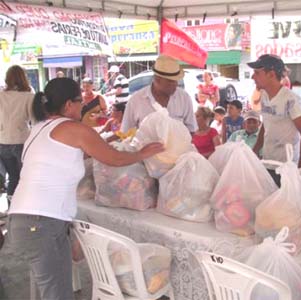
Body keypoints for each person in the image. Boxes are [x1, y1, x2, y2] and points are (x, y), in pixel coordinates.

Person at [7, 77, 164, 300]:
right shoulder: (73, 128)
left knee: (55, 287)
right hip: (41, 224)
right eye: (80, 101)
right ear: (69, 104)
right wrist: (143, 153)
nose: (83, 106)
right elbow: (113, 159)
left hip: (25, 221)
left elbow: (82, 153)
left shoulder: (39, 128)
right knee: (58, 294)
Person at [250, 54, 301, 186]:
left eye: (257, 73)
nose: (252, 77)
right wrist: (255, 149)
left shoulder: (292, 100)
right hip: (268, 162)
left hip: (287, 167)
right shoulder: (264, 96)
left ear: (271, 75)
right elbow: (266, 124)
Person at [120, 55, 197, 134]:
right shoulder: (136, 100)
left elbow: (192, 129)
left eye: (176, 80)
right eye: (171, 81)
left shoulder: (184, 98)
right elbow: (126, 133)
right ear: (157, 79)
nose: (176, 84)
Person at [0, 65, 34, 207]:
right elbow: (35, 120)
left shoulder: (1, 95)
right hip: (21, 141)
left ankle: (11, 206)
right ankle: (24, 207)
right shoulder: (29, 96)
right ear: (23, 78)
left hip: (2, 141)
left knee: (13, 176)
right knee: (26, 177)